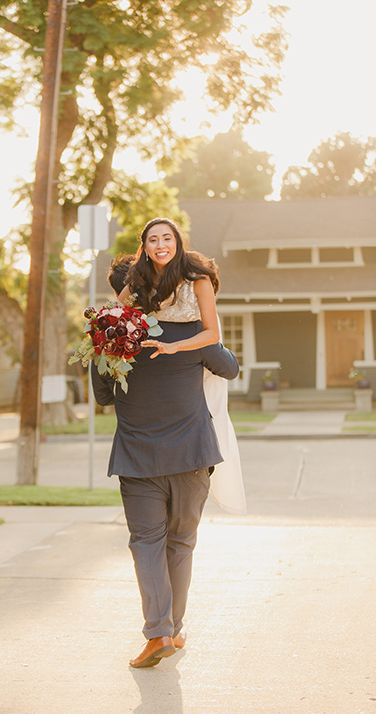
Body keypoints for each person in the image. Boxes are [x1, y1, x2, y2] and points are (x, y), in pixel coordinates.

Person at [91, 219, 240, 669]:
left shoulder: (116, 340)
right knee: (181, 543)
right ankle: (169, 631)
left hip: (137, 458)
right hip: (192, 454)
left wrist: (108, 350)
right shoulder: (194, 335)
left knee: (146, 543)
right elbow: (230, 368)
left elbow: (100, 394)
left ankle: (159, 633)